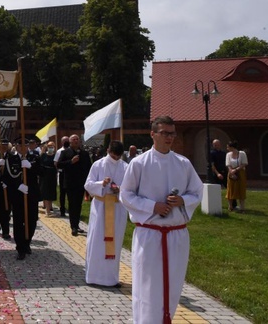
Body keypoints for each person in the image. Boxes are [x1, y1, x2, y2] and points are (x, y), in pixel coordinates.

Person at [120, 115, 203, 324]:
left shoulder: (183, 163)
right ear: (153, 134)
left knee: (173, 285)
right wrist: (152, 206)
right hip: (150, 233)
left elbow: (197, 191)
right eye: (165, 133)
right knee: (148, 286)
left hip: (176, 234)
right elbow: (126, 194)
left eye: (172, 133)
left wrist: (181, 200)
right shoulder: (139, 163)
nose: (170, 137)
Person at [84, 140, 128, 286]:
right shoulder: (98, 164)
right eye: (113, 155)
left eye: (118, 156)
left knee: (114, 242)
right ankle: (94, 277)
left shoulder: (125, 166)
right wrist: (101, 184)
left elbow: (130, 188)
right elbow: (88, 184)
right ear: (108, 150)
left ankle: (111, 278)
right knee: (97, 241)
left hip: (117, 208)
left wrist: (120, 189)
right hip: (100, 207)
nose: (115, 159)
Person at [3, 142, 40, 260]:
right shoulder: (11, 159)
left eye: (25, 145)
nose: (23, 147)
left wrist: (31, 166)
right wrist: (18, 186)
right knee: (19, 221)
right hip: (18, 195)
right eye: (21, 145)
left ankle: (27, 242)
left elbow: (42, 172)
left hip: (31, 194)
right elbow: (6, 178)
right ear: (17, 146)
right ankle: (20, 247)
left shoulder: (34, 157)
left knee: (32, 220)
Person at [56, 134, 92, 236]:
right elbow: (58, 164)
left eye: (77, 139)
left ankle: (77, 224)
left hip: (81, 184)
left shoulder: (84, 154)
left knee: (79, 205)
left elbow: (89, 168)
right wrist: (70, 162)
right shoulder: (65, 152)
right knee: (72, 205)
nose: (76, 141)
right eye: (74, 139)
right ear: (70, 142)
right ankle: (73, 226)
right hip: (70, 183)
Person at [225, 140, 248, 213]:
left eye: (228, 147)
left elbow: (244, 163)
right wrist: (231, 171)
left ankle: (242, 208)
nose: (227, 148)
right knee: (230, 189)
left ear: (232, 147)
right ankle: (230, 206)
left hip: (240, 172)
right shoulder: (228, 154)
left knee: (241, 188)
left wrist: (236, 170)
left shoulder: (242, 153)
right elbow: (228, 164)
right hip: (231, 173)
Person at [39, 141, 58, 215]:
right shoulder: (43, 155)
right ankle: (47, 210)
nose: (51, 147)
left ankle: (50, 207)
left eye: (52, 146)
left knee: (51, 191)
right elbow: (40, 164)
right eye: (49, 146)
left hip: (53, 175)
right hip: (45, 176)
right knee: (46, 192)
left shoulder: (56, 155)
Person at [53, 136, 70, 216]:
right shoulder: (59, 151)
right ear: (62, 142)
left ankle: (71, 209)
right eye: (65, 141)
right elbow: (56, 163)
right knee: (62, 193)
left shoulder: (71, 150)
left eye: (67, 140)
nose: (66, 142)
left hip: (70, 174)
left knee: (70, 192)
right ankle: (62, 209)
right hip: (62, 173)